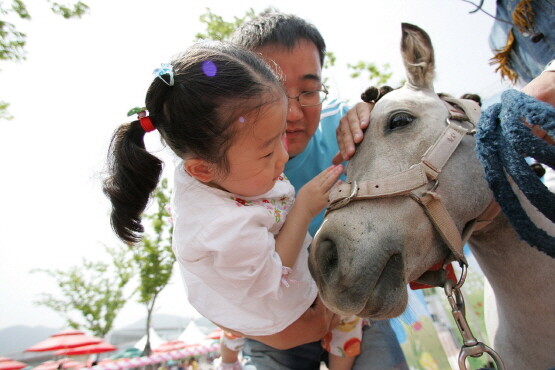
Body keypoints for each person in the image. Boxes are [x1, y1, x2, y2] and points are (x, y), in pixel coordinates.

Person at [102, 41, 364, 370]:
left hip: (249, 299)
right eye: (268, 152)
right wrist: (303, 210)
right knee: (349, 313)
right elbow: (270, 279)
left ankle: (230, 356)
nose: (283, 157)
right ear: (202, 168)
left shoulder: (220, 170)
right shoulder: (222, 227)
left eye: (280, 136)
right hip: (271, 309)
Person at [231, 11, 408, 370]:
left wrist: (379, 113)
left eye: (309, 91)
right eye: (274, 92)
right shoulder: (220, 167)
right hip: (270, 324)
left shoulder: (348, 130)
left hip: (356, 307)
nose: (294, 113)